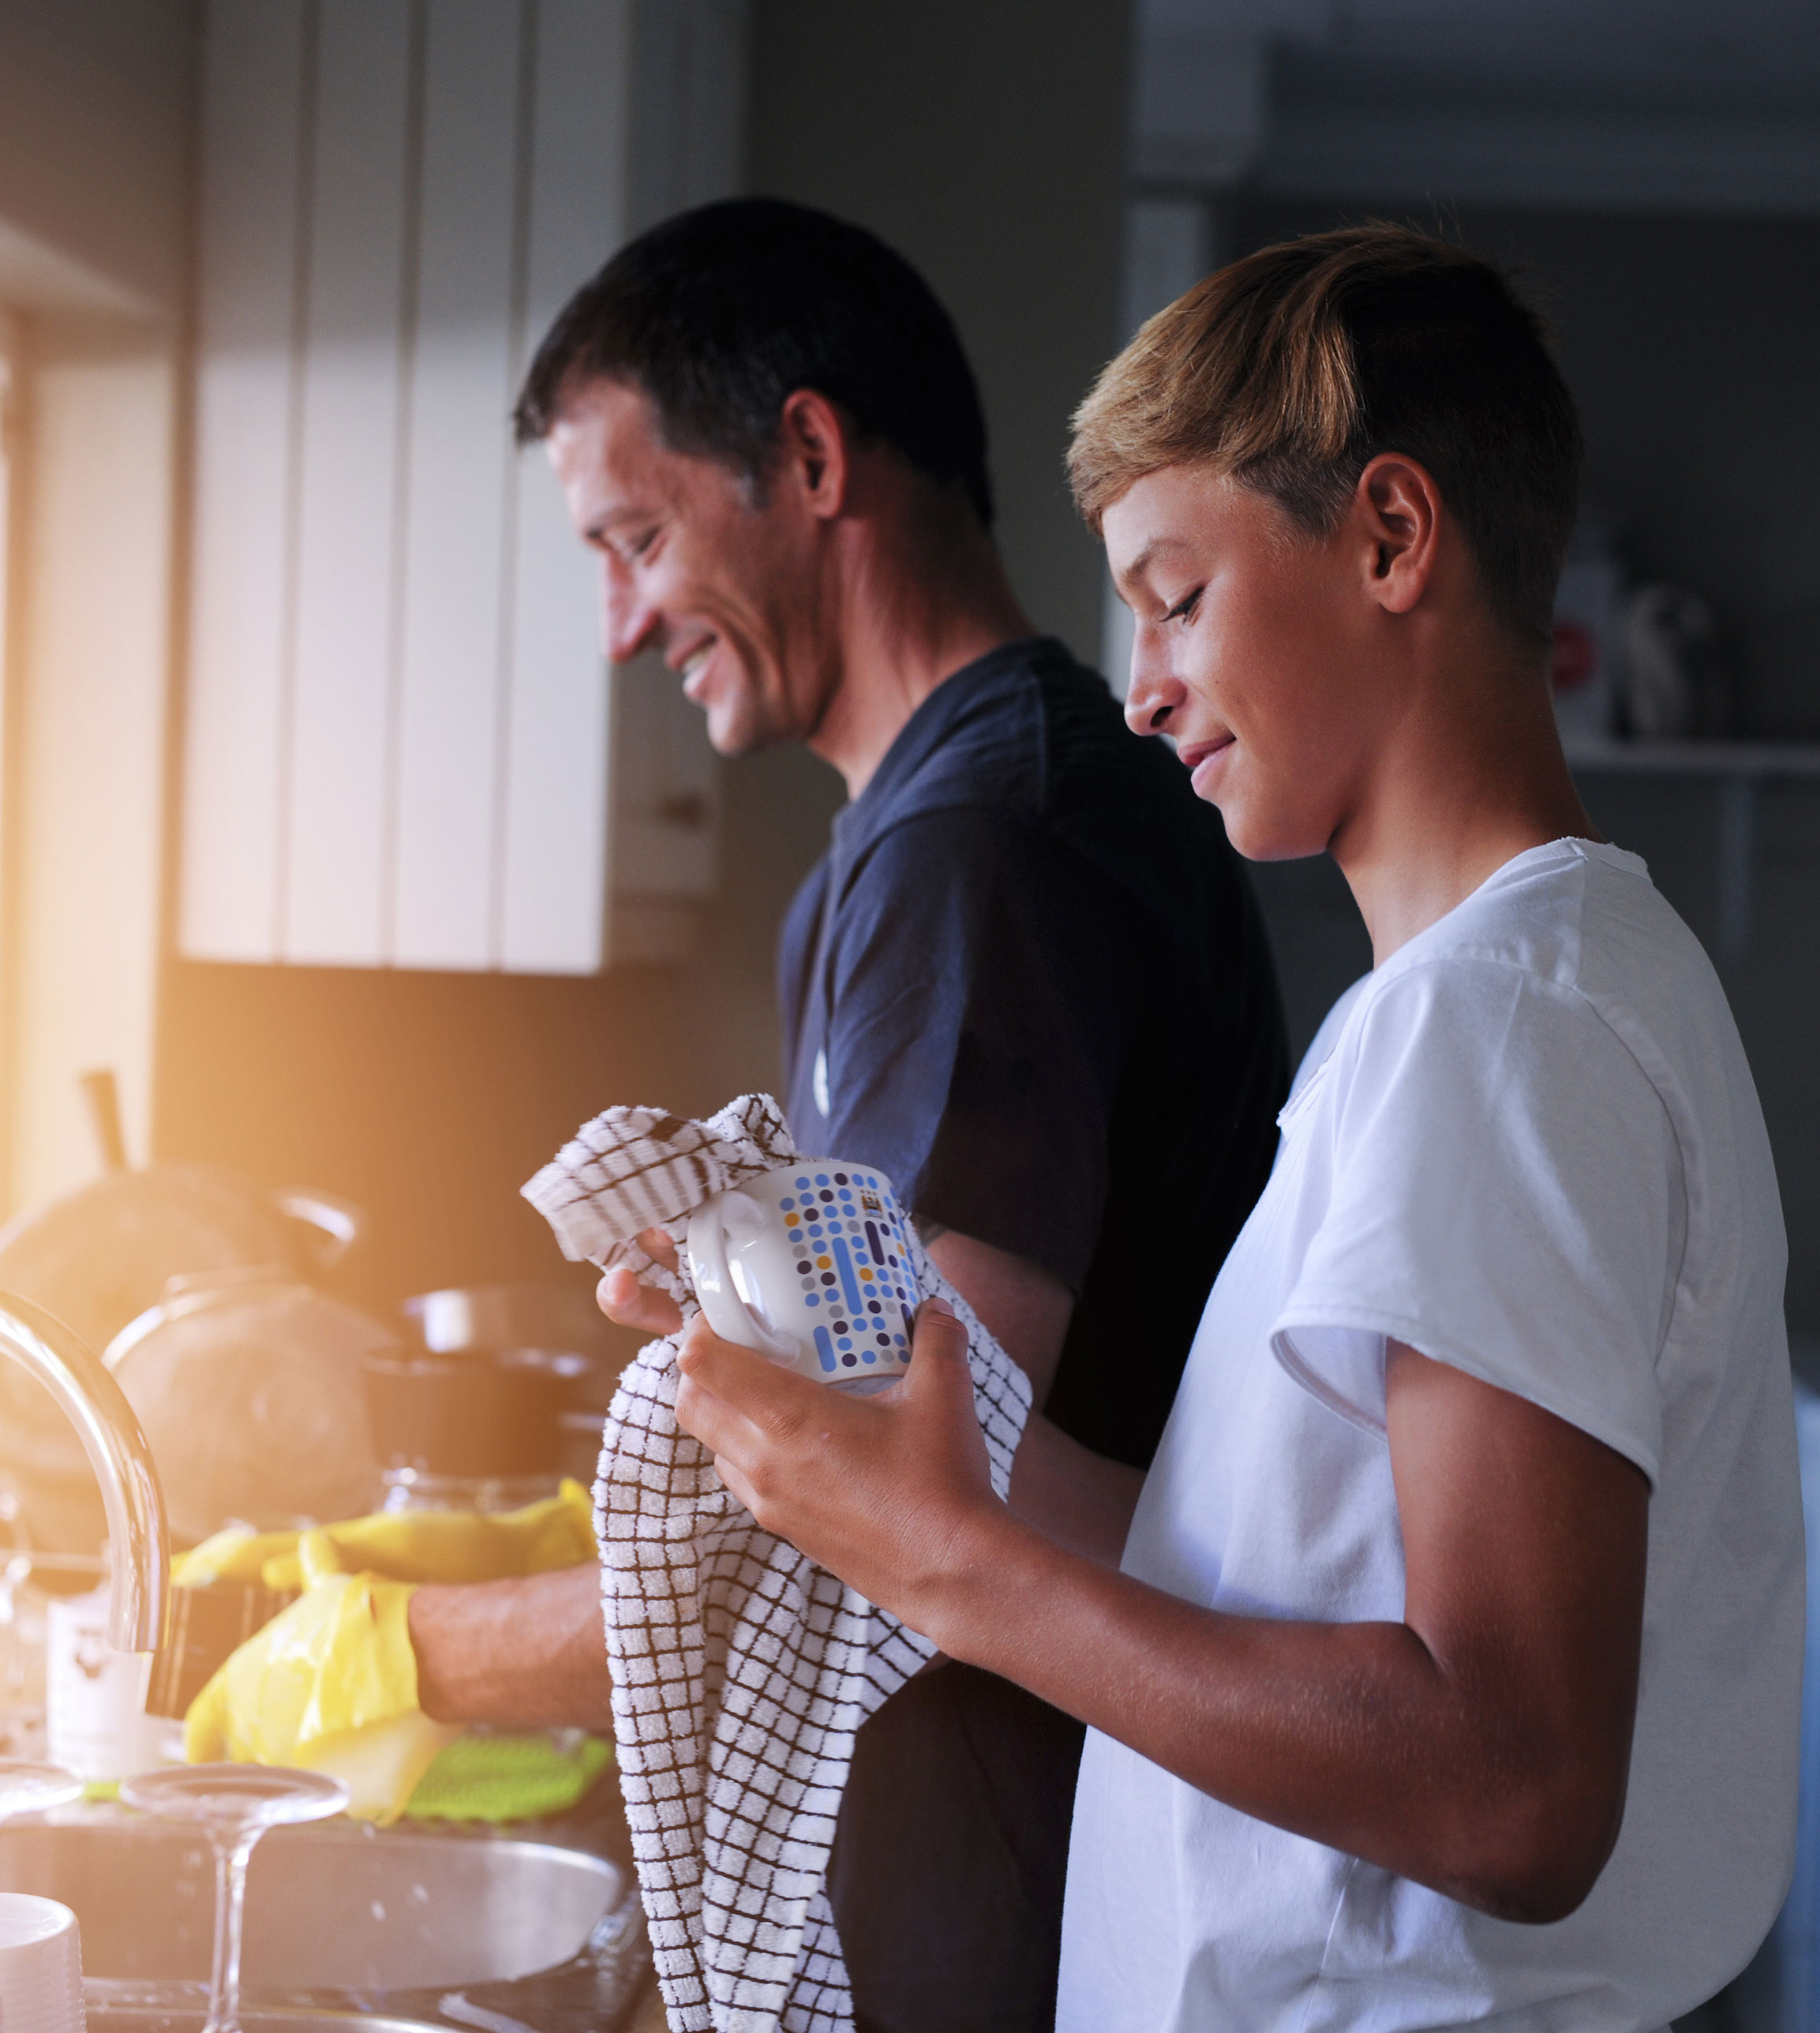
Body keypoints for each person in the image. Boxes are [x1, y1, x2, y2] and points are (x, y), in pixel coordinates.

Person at [668, 224, 1807, 2028]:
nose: (1142, 688)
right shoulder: (1492, 999)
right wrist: (884, 1448)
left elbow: (1511, 1788)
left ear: (1389, 536)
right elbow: (1251, 1574)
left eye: (1177, 596)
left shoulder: (1492, 1027)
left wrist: (956, 1575)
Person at [403, 198, 1290, 2029]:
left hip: (1002, 1902)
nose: (620, 619)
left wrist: (417, 1653)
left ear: (808, 456)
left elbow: (890, 1495)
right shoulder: (923, 837)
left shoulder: (981, 850)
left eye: (636, 537)